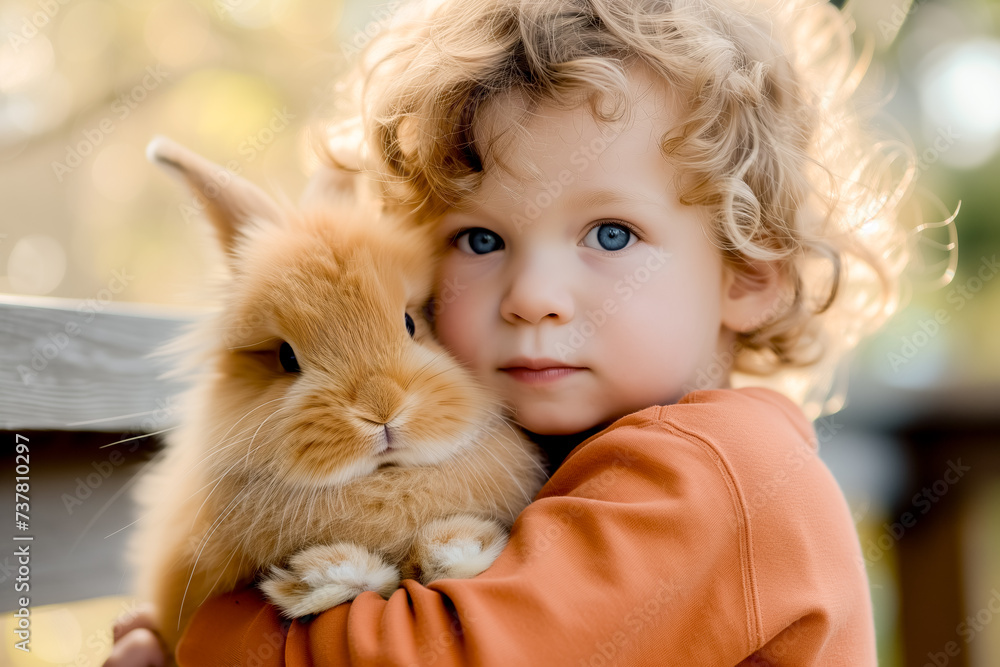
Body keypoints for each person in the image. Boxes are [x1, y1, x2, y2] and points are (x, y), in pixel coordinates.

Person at [107, 0, 922, 663]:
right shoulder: (600, 451)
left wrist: (204, 636)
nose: (532, 297)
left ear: (748, 274)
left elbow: (450, 655)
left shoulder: (712, 474)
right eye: (481, 240)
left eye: (610, 234)